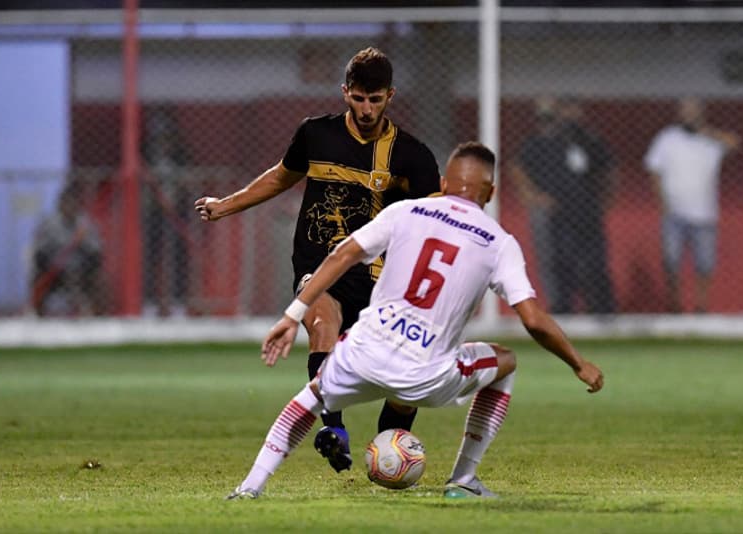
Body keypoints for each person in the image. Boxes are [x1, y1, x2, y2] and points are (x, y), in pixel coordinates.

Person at [226, 142, 604, 500]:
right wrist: (578, 363)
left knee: (309, 398)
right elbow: (533, 320)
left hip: (364, 354)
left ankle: (250, 487)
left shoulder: (405, 211)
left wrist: (293, 314)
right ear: (490, 193)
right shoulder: (498, 242)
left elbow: (342, 255)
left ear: (444, 184)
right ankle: (464, 480)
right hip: (427, 376)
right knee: (505, 363)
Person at [194, 47, 441, 473]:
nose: (366, 109)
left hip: (382, 277)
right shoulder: (315, 134)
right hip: (320, 266)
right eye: (359, 98)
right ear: (345, 92)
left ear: (390, 96)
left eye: (375, 99)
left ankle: (388, 452)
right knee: (323, 321)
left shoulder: (411, 156)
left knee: (406, 377)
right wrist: (225, 205)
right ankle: (333, 430)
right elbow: (280, 177)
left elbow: (436, 221)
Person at [510, 97, 616, 315]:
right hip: (556, 211)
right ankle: (561, 304)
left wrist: (605, 198)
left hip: (586, 210)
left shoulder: (589, 141)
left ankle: (597, 305)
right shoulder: (542, 142)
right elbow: (517, 168)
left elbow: (608, 169)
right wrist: (533, 196)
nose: (570, 117)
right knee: (555, 258)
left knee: (592, 258)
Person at [644, 97, 740, 313]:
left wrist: (707, 132)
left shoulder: (711, 140)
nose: (689, 114)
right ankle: (675, 305)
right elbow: (654, 169)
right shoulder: (667, 138)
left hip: (704, 212)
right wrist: (662, 201)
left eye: (693, 110)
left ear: (701, 113)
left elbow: (734, 143)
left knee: (705, 263)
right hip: (674, 212)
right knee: (671, 262)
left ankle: (701, 306)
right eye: (685, 110)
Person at [142, 108, 191, 317]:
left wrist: (176, 193)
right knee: (150, 257)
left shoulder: (181, 155)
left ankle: (178, 302)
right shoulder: (145, 155)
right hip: (153, 211)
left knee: (179, 256)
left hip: (176, 211)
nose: (163, 142)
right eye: (158, 137)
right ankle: (149, 302)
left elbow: (189, 179)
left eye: (166, 136)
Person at [31, 184, 106, 316]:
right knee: (37, 277)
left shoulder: (85, 224)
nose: (69, 207)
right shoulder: (49, 224)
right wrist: (52, 258)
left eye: (73, 203)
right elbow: (39, 249)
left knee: (99, 279)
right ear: (60, 204)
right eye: (66, 203)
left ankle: (98, 316)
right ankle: (39, 315)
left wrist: (83, 243)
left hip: (81, 269)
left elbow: (97, 250)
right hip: (54, 271)